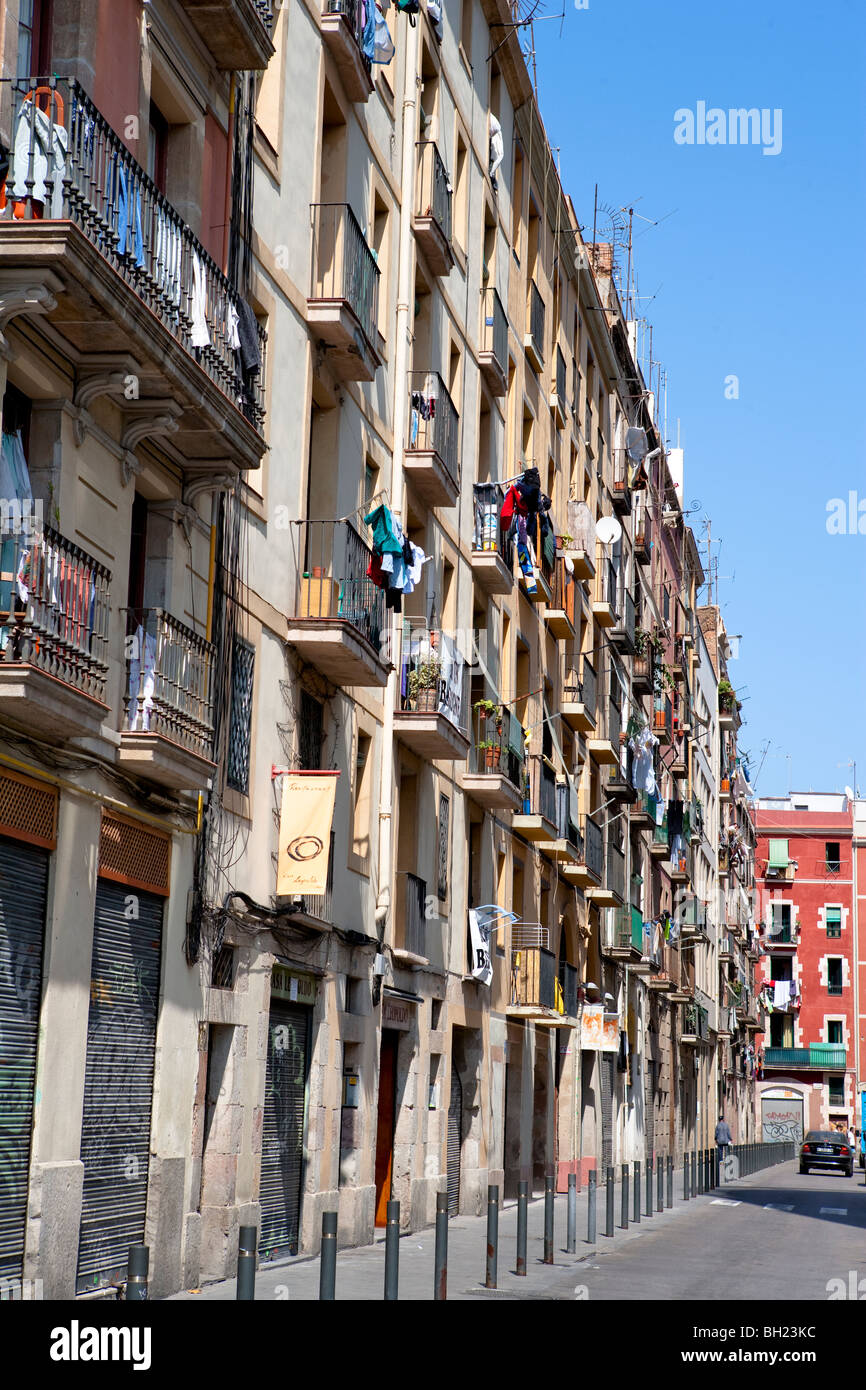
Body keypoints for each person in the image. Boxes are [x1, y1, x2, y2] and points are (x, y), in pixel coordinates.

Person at [715, 1113, 733, 1178]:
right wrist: (730, 1138)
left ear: (719, 1120)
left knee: (720, 1150)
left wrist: (715, 1139)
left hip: (720, 1140)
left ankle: (721, 1160)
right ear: (723, 1119)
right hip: (725, 1140)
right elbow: (728, 1133)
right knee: (726, 1149)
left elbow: (716, 1133)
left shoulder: (717, 1126)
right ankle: (726, 1158)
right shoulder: (726, 1125)